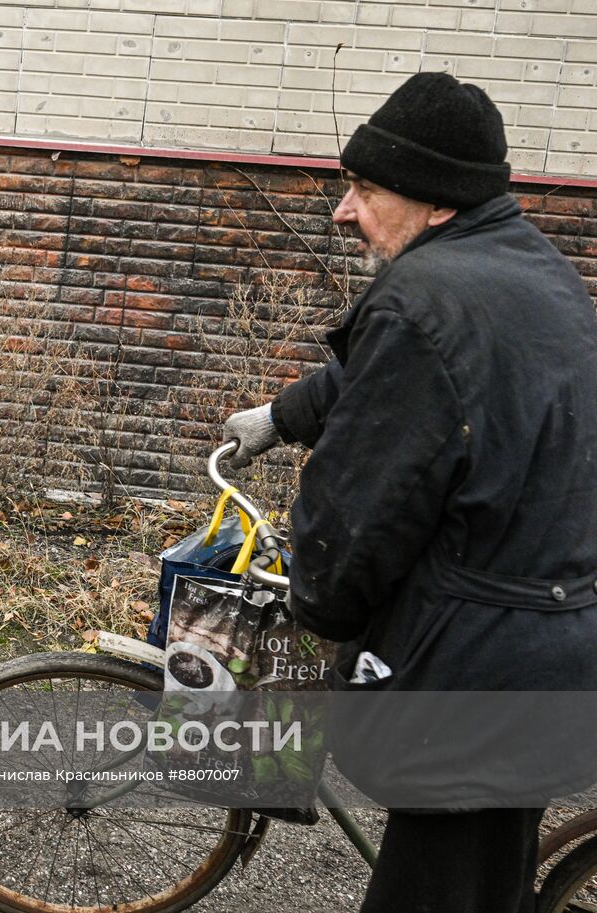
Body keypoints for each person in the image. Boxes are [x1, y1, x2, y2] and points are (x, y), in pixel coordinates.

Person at [222, 72, 597, 913]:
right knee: (479, 877)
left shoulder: (422, 299)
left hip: (469, 673)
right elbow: (407, 376)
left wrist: (317, 605)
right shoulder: (532, 269)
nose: (341, 210)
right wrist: (284, 413)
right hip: (541, 650)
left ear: (435, 204)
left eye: (364, 189)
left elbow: (355, 512)